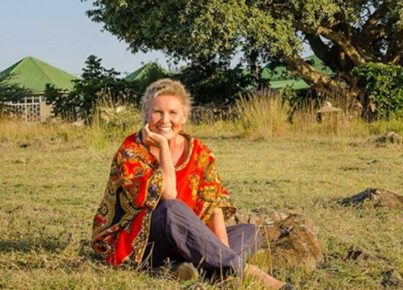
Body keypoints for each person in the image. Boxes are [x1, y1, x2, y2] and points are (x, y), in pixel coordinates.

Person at [91, 79, 289, 288]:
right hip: (140, 240)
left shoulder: (199, 151)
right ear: (146, 115)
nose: (164, 120)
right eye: (157, 112)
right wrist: (163, 147)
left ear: (184, 116)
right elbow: (168, 193)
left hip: (185, 236)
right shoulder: (131, 150)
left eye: (173, 113)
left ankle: (203, 269)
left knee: (249, 231)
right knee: (171, 209)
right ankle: (244, 270)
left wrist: (222, 250)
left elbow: (214, 206)